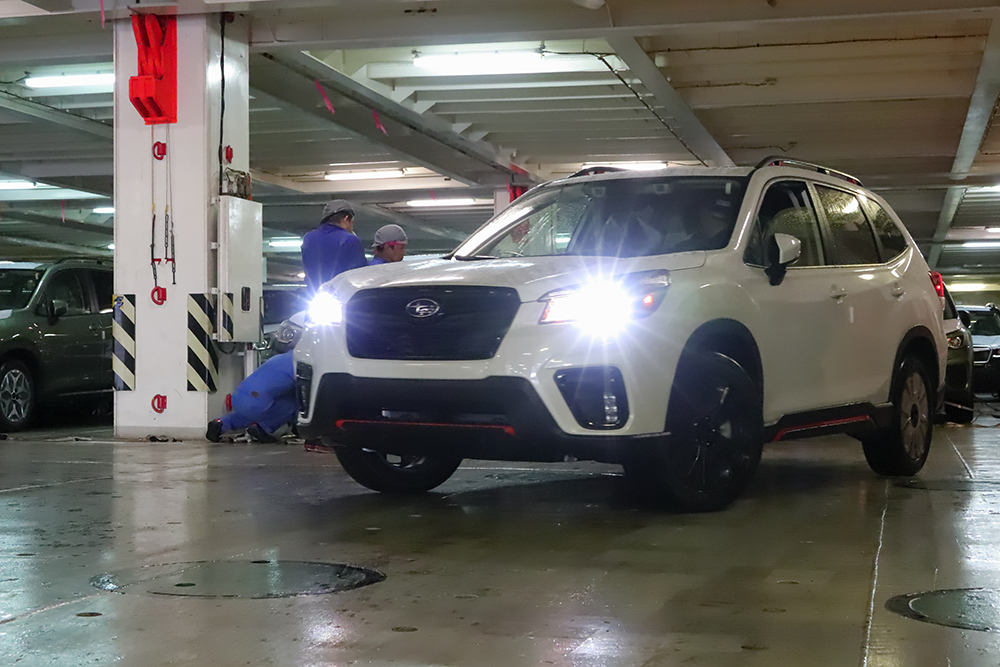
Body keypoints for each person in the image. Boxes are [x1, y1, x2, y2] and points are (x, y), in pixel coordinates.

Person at [206, 351, 297, 443]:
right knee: (295, 405)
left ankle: (220, 423)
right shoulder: (300, 364)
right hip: (258, 403)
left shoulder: (279, 358)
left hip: (238, 397)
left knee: (248, 415)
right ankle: (262, 427)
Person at [300, 199, 367, 291]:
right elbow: (360, 274)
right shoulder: (350, 240)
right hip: (343, 295)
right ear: (346, 218)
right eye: (352, 223)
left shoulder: (308, 238)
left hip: (313, 294)